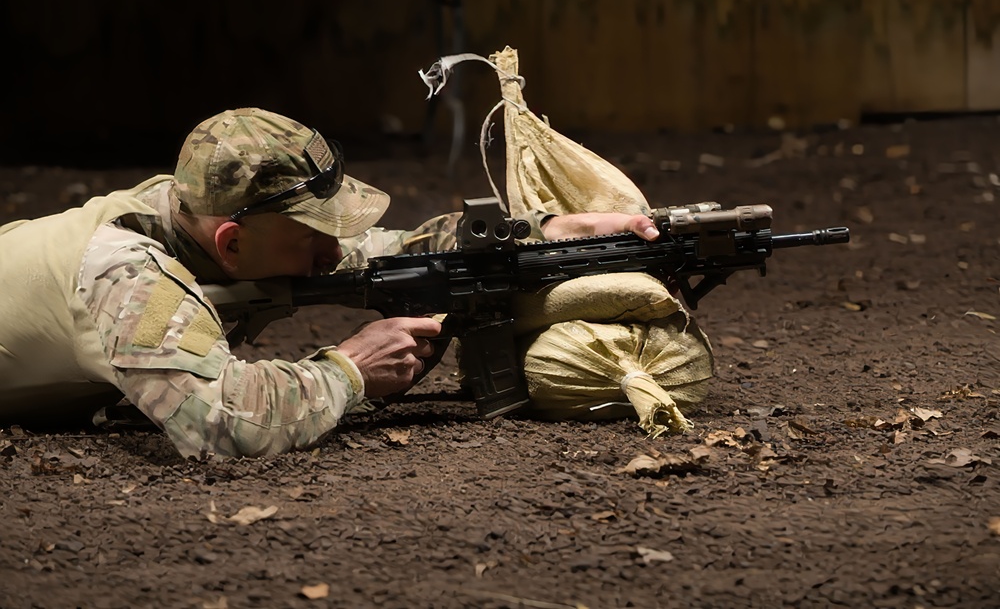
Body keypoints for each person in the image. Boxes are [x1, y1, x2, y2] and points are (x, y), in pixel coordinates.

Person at [0, 107, 660, 459]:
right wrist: (347, 371)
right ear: (232, 242)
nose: (332, 248)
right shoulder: (130, 280)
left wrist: (547, 229)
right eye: (313, 233)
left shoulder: (192, 210)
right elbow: (222, 424)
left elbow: (383, 251)